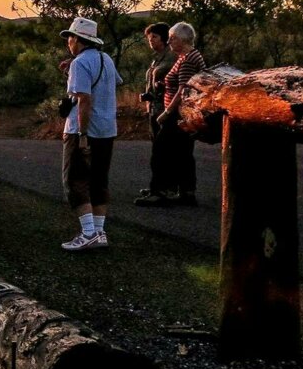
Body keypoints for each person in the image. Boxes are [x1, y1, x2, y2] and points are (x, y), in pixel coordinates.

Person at [58, 17, 121, 251]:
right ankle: (99, 231)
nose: (68, 42)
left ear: (78, 39)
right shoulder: (106, 59)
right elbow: (111, 84)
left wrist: (82, 134)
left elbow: (84, 99)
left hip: (82, 130)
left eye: (70, 38)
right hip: (107, 129)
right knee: (98, 179)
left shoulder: (80, 63)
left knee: (74, 180)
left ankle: (87, 232)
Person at [136, 22, 206, 208]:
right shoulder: (186, 56)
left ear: (182, 39)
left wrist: (166, 112)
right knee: (182, 153)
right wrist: (165, 86)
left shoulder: (188, 59)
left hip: (177, 113)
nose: (169, 41)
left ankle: (159, 191)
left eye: (172, 38)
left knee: (160, 152)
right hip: (181, 112)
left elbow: (183, 89)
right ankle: (185, 192)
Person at [137, 23, 173, 197]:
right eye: (149, 38)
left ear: (165, 38)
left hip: (165, 109)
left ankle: (162, 188)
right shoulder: (156, 58)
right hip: (153, 109)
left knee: (162, 151)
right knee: (157, 150)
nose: (151, 41)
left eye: (155, 37)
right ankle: (159, 186)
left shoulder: (172, 57)